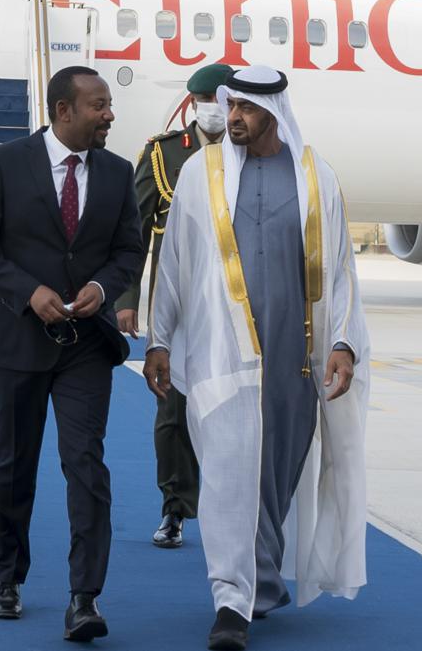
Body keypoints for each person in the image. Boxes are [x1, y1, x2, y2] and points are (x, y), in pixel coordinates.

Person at [143, 66, 371, 650]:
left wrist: (342, 343)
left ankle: (260, 582)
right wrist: (160, 338)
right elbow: (175, 262)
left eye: (245, 109)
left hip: (296, 360)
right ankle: (230, 601)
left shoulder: (315, 175)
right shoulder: (202, 173)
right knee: (226, 474)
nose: (233, 118)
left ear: (274, 111)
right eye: (230, 106)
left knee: (273, 478)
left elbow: (341, 268)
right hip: (224, 353)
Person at [0, 66, 143, 642]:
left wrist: (104, 289)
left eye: (109, 105)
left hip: (86, 345)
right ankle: (7, 577)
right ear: (64, 110)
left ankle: (84, 597)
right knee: (12, 464)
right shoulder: (5, 163)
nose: (109, 114)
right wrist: (25, 292)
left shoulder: (117, 172)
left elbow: (129, 251)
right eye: (99, 105)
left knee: (86, 464)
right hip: (18, 340)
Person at [115, 63, 232, 549]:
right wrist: (126, 300)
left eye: (225, 103)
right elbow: (134, 234)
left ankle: (233, 511)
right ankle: (175, 509)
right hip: (180, 307)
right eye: (209, 102)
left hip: (236, 309)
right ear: (194, 104)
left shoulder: (251, 152)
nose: (217, 112)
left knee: (235, 410)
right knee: (174, 410)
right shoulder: (165, 156)